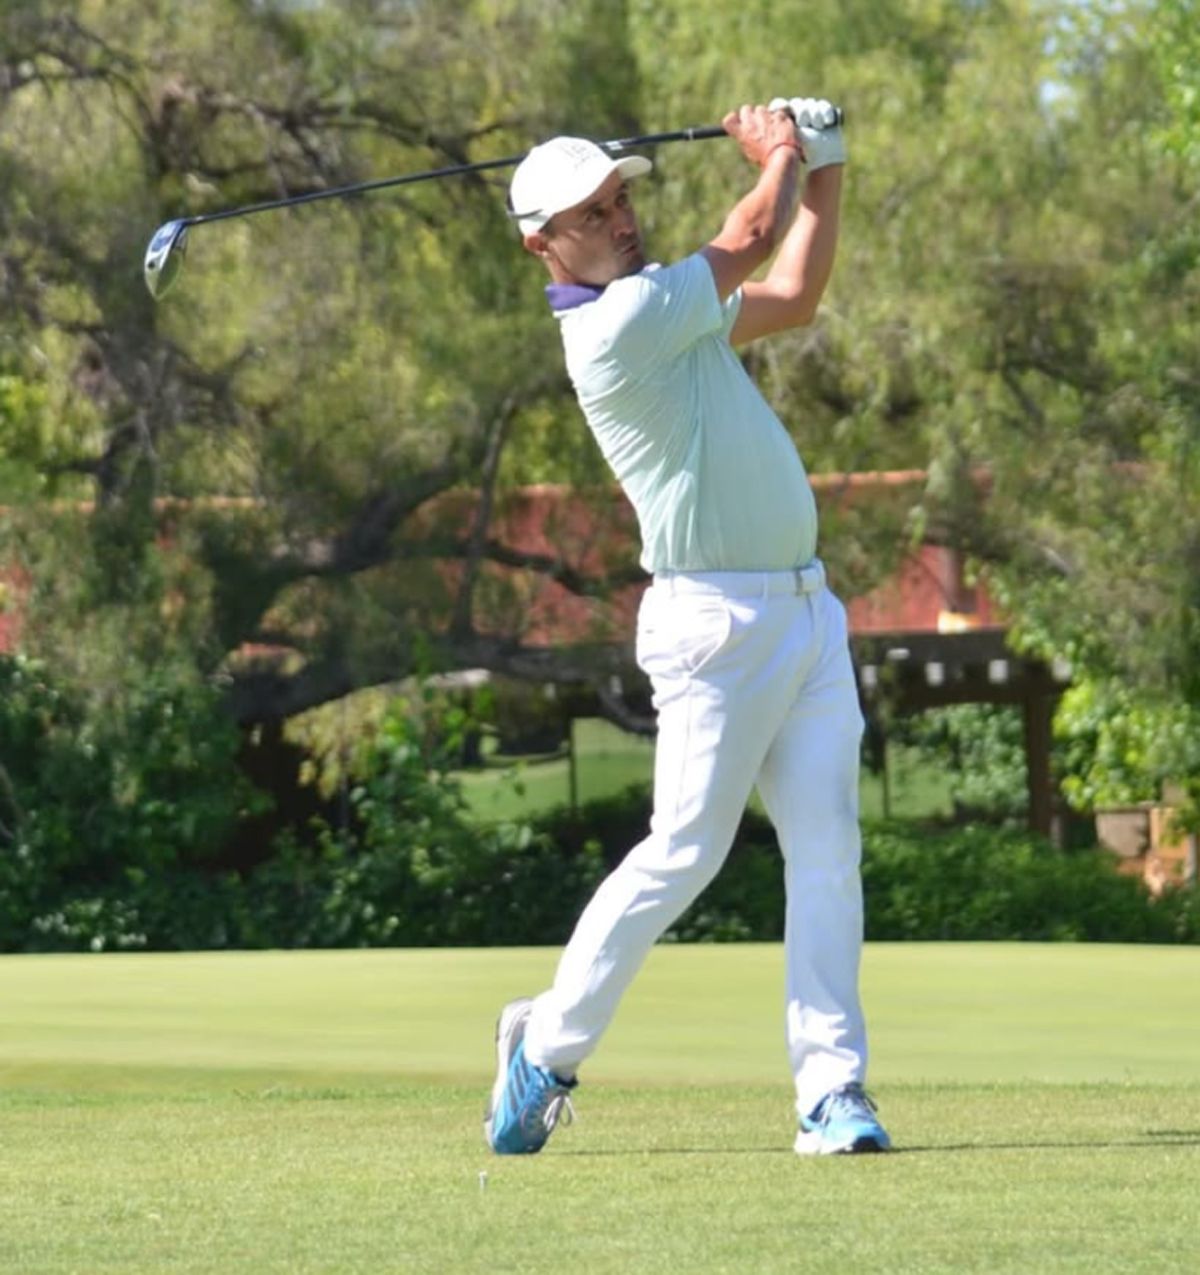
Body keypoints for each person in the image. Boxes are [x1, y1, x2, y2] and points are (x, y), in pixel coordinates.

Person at [484, 98, 891, 1157]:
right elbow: (752, 233)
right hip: (713, 624)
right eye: (591, 212)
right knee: (684, 854)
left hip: (804, 613)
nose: (619, 220)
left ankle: (832, 1096)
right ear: (543, 245)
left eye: (621, 199)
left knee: (827, 854)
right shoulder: (616, 327)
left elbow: (793, 294)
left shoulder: (672, 306)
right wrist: (779, 154)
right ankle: (547, 1047)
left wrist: (827, 166)